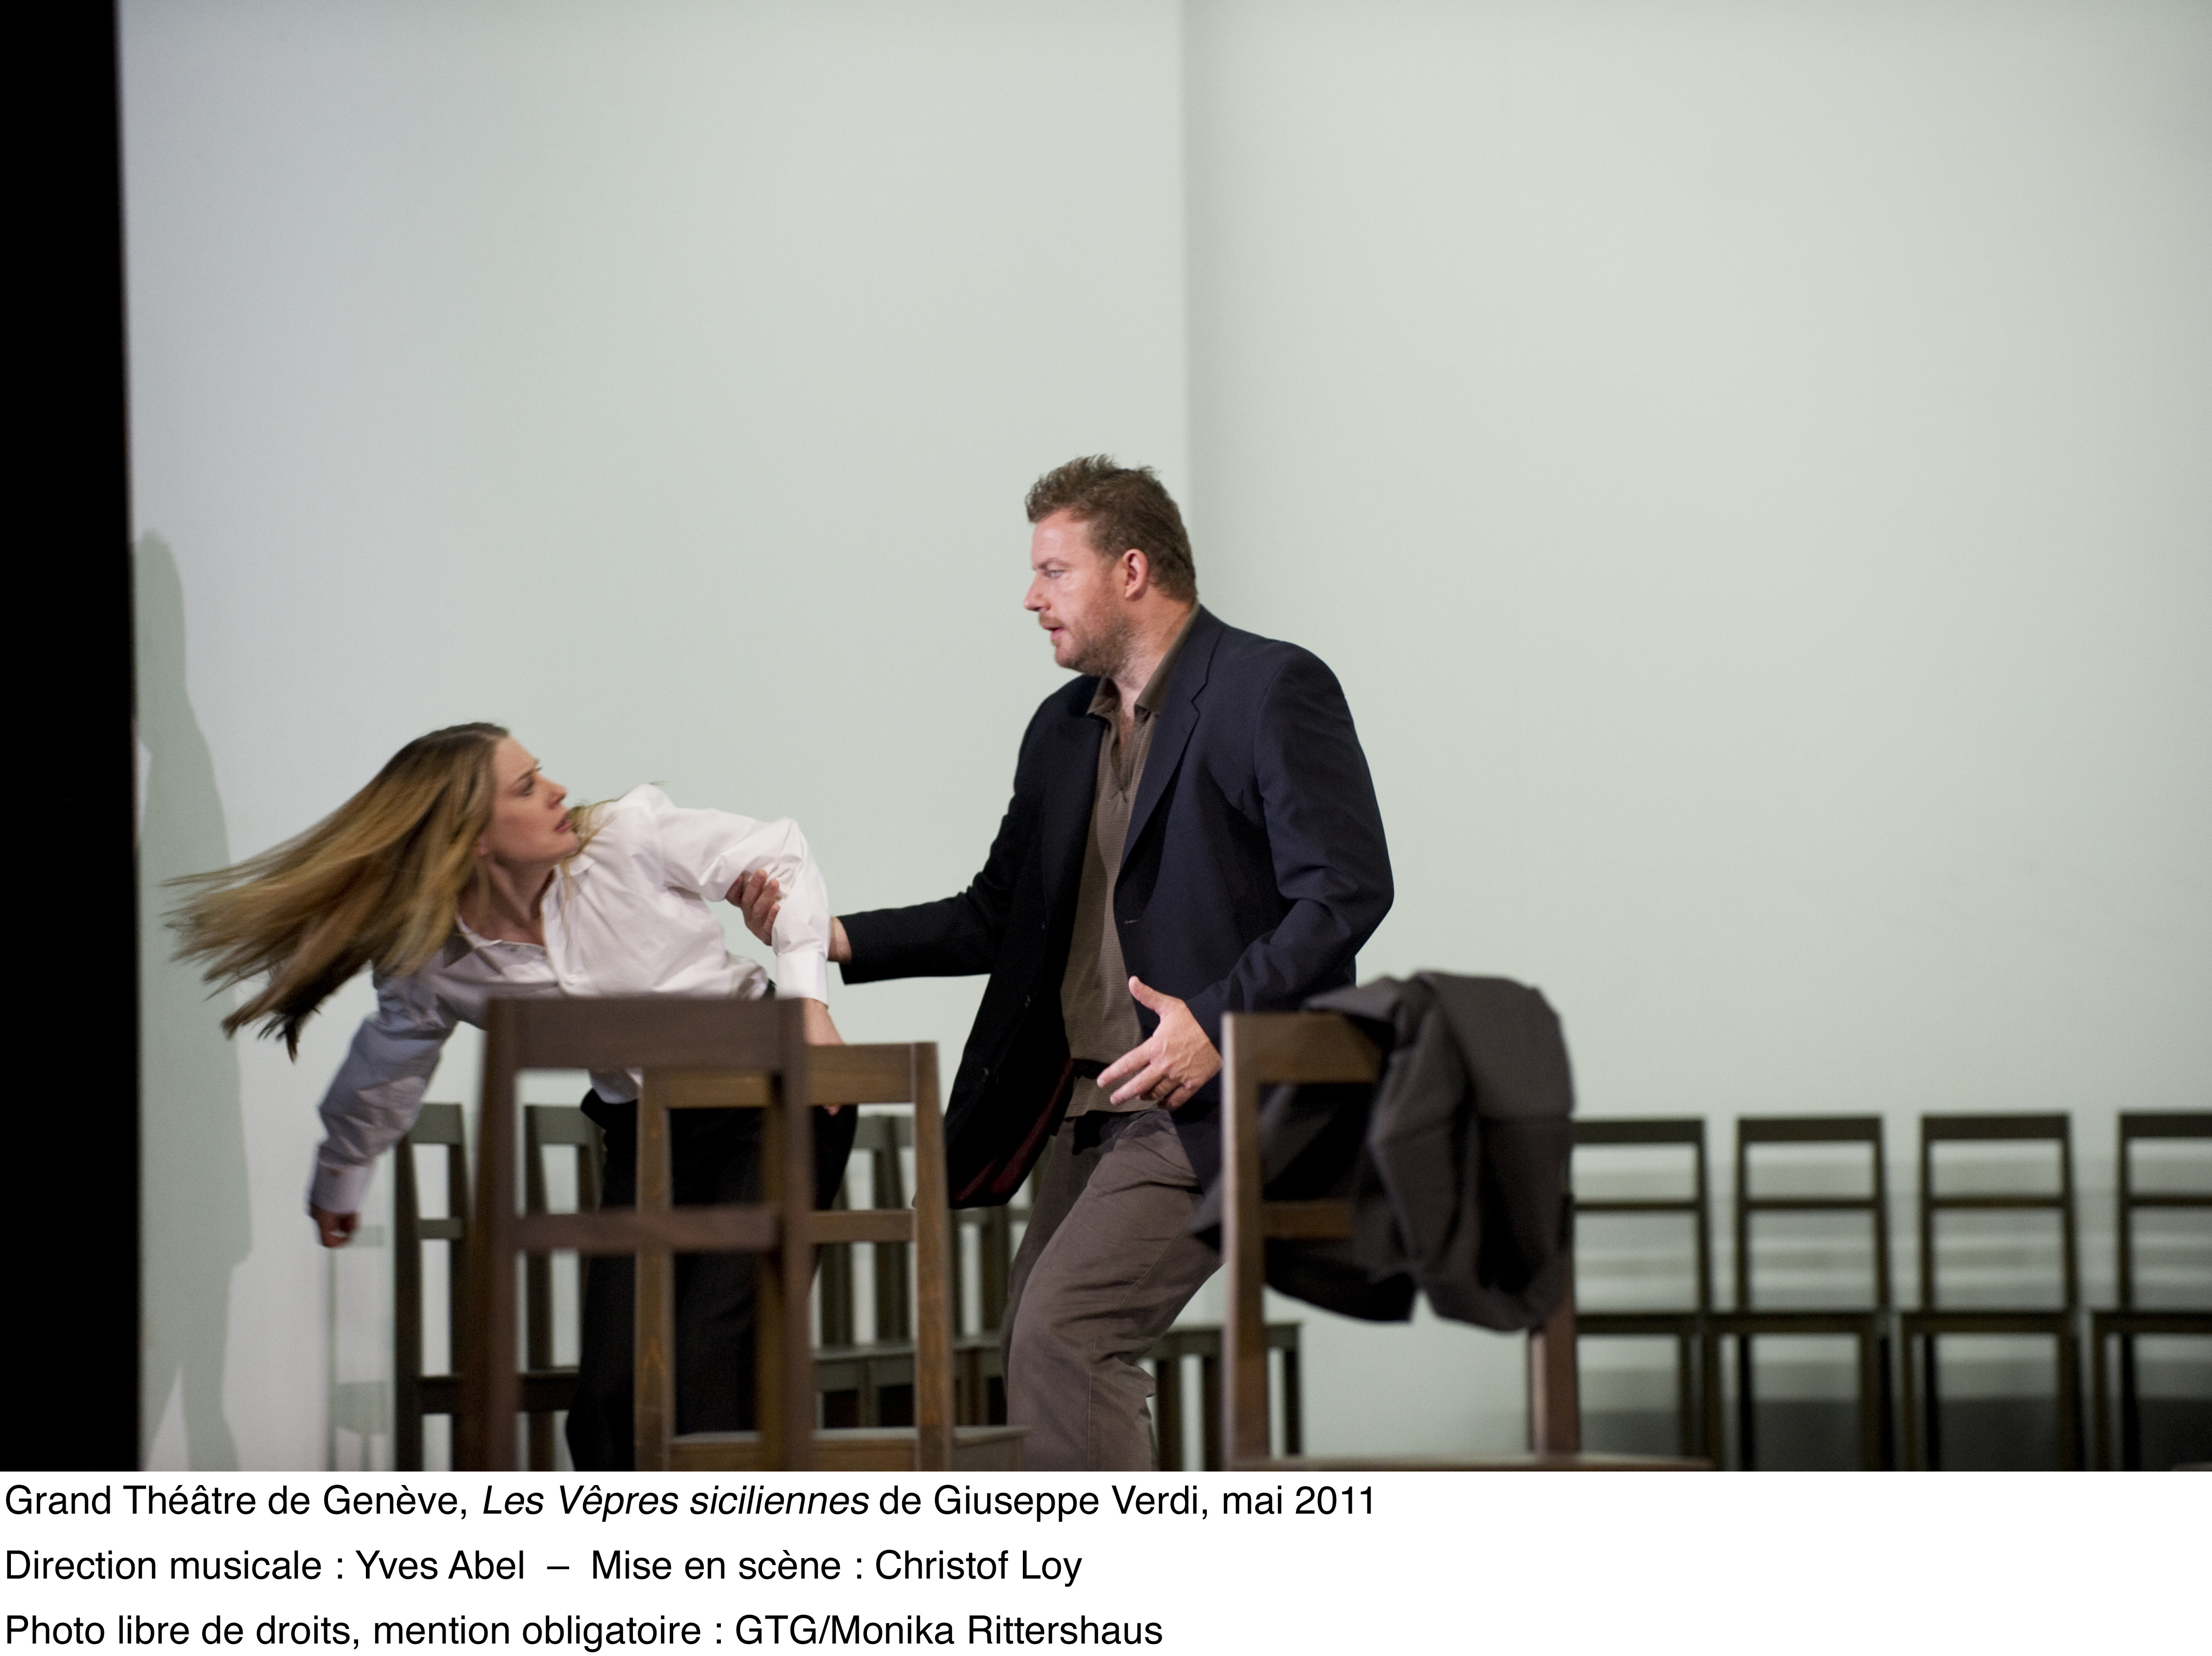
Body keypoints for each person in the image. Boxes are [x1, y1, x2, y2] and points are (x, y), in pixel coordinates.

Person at [760, 456, 1392, 1469]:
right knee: (1033, 1341)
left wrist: (1215, 1022)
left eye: (1054, 571)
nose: (1031, 596)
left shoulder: (1271, 686)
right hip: (1091, 1103)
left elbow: (1345, 891)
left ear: (1131, 570)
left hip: (1226, 1095)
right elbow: (996, 915)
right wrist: (829, 936)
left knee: (1066, 1337)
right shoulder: (1061, 729)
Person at [173, 722, 854, 1468]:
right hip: (648, 1136)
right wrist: (343, 1170)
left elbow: (779, 851)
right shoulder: (430, 960)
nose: (558, 792)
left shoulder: (625, 836)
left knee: (704, 1371)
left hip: (774, 1102)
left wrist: (805, 1003)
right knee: (607, 1410)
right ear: (471, 838)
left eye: (543, 774)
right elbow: (386, 1067)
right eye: (526, 788)